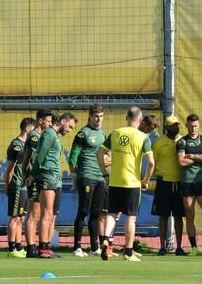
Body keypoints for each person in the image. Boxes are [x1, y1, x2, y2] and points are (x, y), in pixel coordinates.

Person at [96, 106, 155, 261]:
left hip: (115, 181)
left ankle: (106, 238)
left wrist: (104, 173)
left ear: (127, 117)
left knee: (112, 213)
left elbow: (99, 153)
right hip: (132, 183)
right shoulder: (143, 137)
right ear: (140, 119)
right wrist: (145, 181)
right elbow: (151, 163)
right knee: (131, 217)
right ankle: (128, 252)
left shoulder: (116, 133)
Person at [27, 112, 78, 258]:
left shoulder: (53, 135)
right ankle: (43, 249)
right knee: (46, 213)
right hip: (47, 175)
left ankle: (46, 247)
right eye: (69, 126)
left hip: (54, 177)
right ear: (63, 121)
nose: (69, 130)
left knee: (50, 214)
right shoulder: (49, 133)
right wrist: (32, 174)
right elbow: (40, 155)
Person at [69, 104, 107, 258]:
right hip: (86, 177)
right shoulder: (83, 134)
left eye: (101, 116)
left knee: (96, 214)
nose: (99, 119)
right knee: (83, 211)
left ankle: (94, 247)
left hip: (99, 178)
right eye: (96, 116)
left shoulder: (103, 134)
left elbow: (104, 155)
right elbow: (73, 156)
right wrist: (76, 172)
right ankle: (77, 247)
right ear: (90, 116)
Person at [177, 114, 202, 256]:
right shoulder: (182, 142)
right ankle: (193, 247)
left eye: (196, 126)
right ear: (187, 125)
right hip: (187, 183)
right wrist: (201, 158)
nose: (193, 128)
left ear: (199, 126)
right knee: (190, 216)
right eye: (191, 126)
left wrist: (192, 156)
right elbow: (181, 162)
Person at [151, 115, 185, 256]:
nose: (175, 128)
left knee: (178, 216)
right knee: (163, 216)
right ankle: (162, 246)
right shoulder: (158, 143)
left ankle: (179, 247)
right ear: (166, 127)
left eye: (177, 125)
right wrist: (148, 180)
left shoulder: (183, 141)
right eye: (172, 125)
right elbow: (153, 162)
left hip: (179, 182)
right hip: (163, 182)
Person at [21, 109, 53, 258]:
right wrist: (27, 175)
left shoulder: (41, 135)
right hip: (34, 179)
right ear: (40, 121)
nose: (50, 124)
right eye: (48, 121)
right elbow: (29, 158)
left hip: (37, 178)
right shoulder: (35, 136)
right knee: (33, 214)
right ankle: (31, 248)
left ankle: (35, 247)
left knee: (38, 213)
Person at [4, 117, 36, 258]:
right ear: (28, 128)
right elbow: (9, 169)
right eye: (33, 129)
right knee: (14, 217)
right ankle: (11, 249)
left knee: (20, 218)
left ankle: (18, 246)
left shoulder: (27, 146)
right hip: (16, 186)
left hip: (23, 187)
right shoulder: (16, 145)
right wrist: (7, 185)